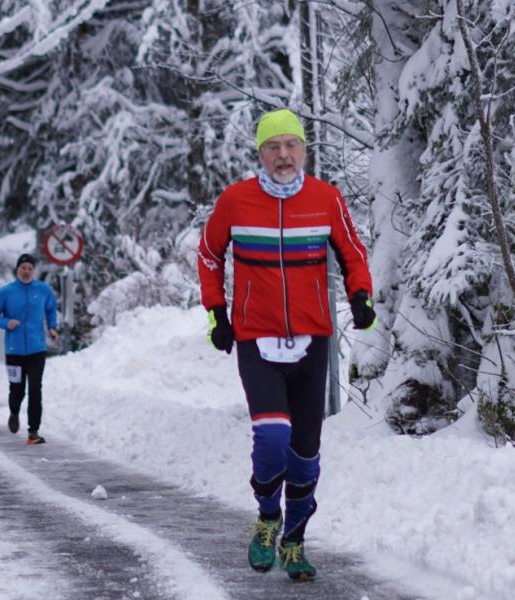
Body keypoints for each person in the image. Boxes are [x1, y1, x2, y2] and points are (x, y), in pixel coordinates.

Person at [197, 108, 377, 581]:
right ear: (260, 153)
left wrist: (360, 295)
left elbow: (353, 252)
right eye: (273, 147)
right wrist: (217, 312)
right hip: (255, 336)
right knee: (272, 435)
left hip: (311, 338)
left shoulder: (325, 198)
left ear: (304, 150)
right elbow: (209, 254)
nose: (283, 155)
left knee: (305, 450)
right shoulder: (236, 202)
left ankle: (294, 542)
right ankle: (266, 516)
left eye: (291, 146)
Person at [0, 253, 59, 445]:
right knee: (17, 389)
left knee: (35, 389)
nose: (26, 271)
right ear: (17, 270)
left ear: (33, 271)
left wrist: (52, 327)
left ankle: (33, 432)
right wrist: (6, 322)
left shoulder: (43, 290)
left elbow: (51, 309)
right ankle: (14, 412)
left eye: (29, 268)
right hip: (14, 350)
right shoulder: (6, 292)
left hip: (37, 348)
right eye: (23, 268)